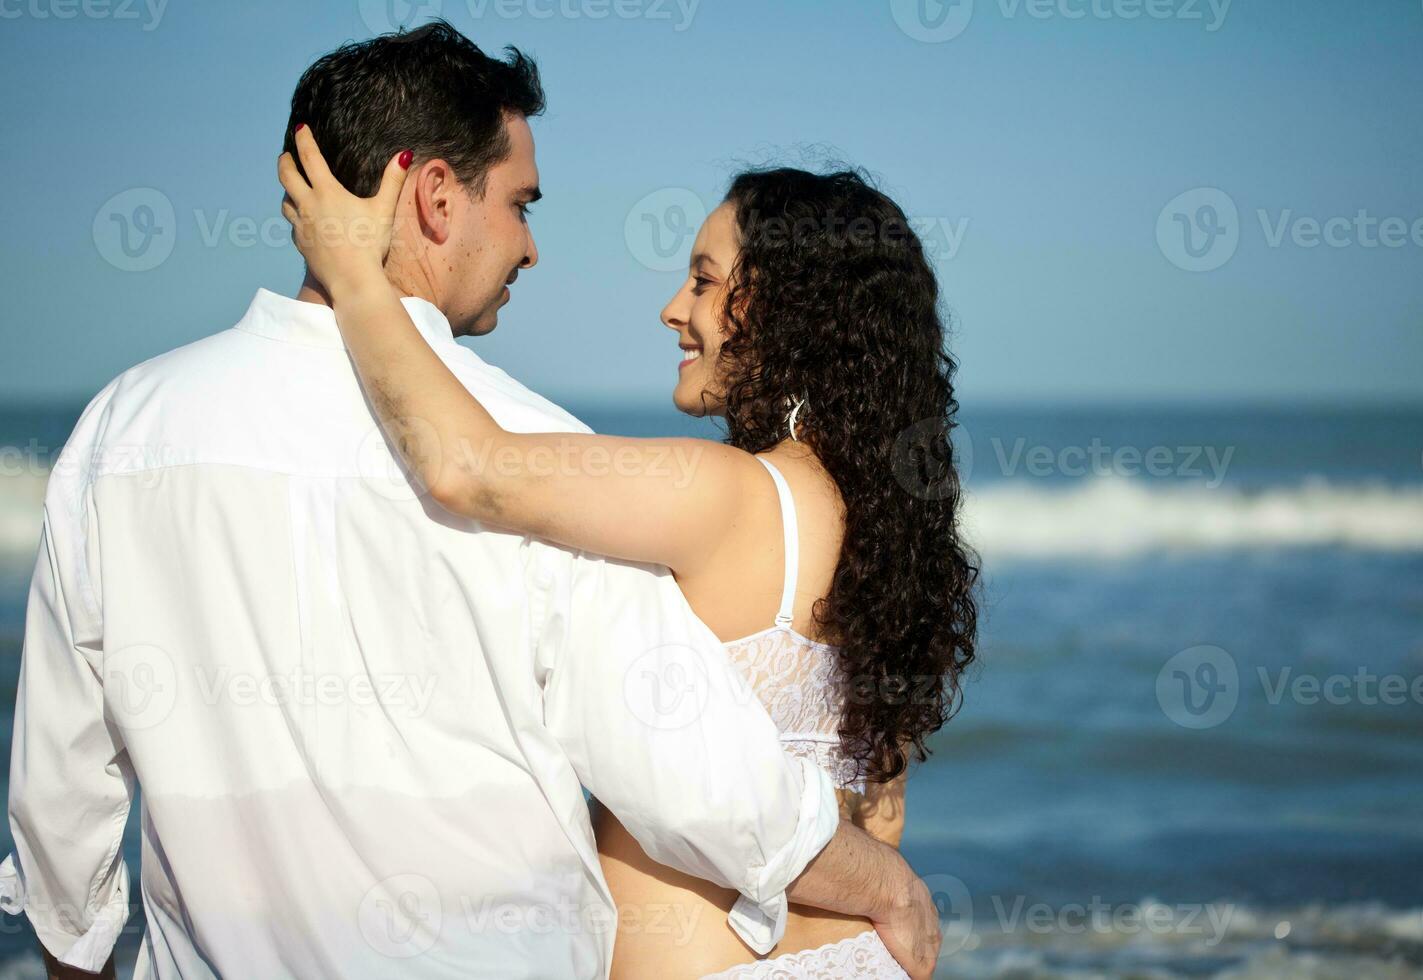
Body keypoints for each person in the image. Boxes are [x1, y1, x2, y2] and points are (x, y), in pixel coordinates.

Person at [0, 23, 940, 980]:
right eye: (521, 204)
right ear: (438, 199)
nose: (531, 248)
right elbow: (691, 772)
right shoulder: (548, 457)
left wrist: (77, 967)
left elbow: (60, 792)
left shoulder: (120, 434)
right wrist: (886, 885)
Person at [278, 52, 978, 980]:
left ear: (772, 305)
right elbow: (880, 819)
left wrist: (353, 277)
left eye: (702, 279)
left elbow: (469, 469)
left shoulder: (729, 493)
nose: (671, 310)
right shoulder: (878, 530)